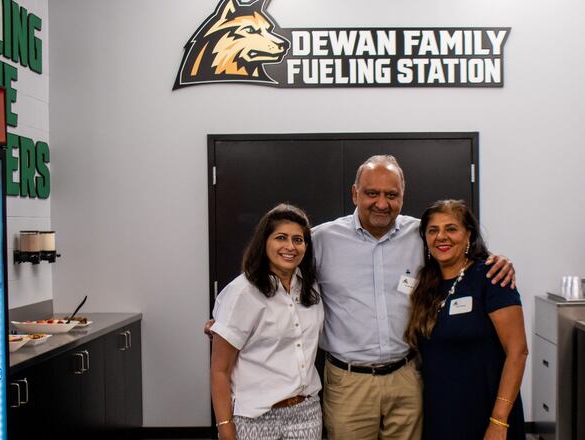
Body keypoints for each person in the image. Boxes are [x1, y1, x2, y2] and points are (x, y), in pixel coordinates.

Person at [207, 155, 515, 439]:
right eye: (372, 193)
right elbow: (280, 271)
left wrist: (494, 260)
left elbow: (458, 252)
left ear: (402, 196)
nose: (382, 203)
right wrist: (227, 323)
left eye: (391, 195)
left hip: (407, 377)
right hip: (348, 383)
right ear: (355, 194)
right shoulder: (322, 239)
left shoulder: (422, 235)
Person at [405, 200, 527, 440]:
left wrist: (499, 420)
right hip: (440, 413)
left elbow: (518, 351)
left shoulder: (491, 277)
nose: (441, 237)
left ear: (468, 234)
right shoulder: (427, 284)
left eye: (451, 229)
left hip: (486, 412)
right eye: (433, 230)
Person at [210, 204, 324, 440]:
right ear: (264, 243)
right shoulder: (243, 292)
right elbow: (219, 371)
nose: (290, 247)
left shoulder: (310, 288)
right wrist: (225, 427)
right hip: (255, 417)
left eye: (298, 240)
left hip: (306, 413)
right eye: (281, 238)